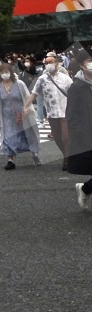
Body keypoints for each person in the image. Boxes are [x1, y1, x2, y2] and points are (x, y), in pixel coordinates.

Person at [25, 53, 71, 169]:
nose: (48, 65)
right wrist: (25, 106)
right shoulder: (42, 79)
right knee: (56, 136)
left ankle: (67, 158)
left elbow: (73, 92)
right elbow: (34, 93)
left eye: (51, 62)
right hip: (51, 113)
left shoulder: (65, 78)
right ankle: (66, 154)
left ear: (56, 63)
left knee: (66, 136)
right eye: (46, 63)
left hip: (65, 111)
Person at [0, 63, 40, 170]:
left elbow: (27, 97)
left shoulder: (19, 83)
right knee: (8, 136)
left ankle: (34, 153)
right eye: (2, 72)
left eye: (6, 72)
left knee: (28, 134)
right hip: (7, 117)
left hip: (22, 114)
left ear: (10, 72)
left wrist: (27, 109)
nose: (4, 74)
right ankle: (10, 160)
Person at [65, 55, 92, 211]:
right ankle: (85, 189)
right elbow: (71, 114)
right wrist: (79, 133)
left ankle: (85, 188)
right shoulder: (77, 87)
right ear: (82, 65)